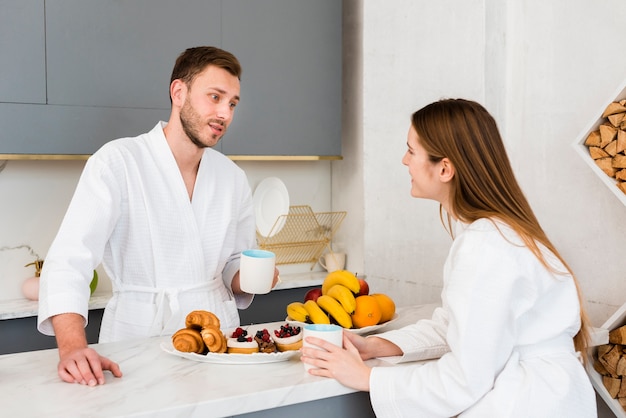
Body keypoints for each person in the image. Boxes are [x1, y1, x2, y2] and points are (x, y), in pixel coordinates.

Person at [301, 98, 597, 417]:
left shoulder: (486, 245)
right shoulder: (497, 231)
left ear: (444, 168)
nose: (404, 160)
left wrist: (367, 377)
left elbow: (463, 381)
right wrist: (377, 346)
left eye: (411, 151)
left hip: (528, 402)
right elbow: (458, 324)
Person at [37, 46, 279, 386]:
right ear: (178, 92)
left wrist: (253, 277)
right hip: (135, 340)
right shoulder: (118, 162)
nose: (224, 112)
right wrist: (73, 348)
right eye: (215, 96)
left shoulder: (232, 177)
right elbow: (68, 261)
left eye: (233, 103)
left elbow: (232, 264)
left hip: (216, 339)